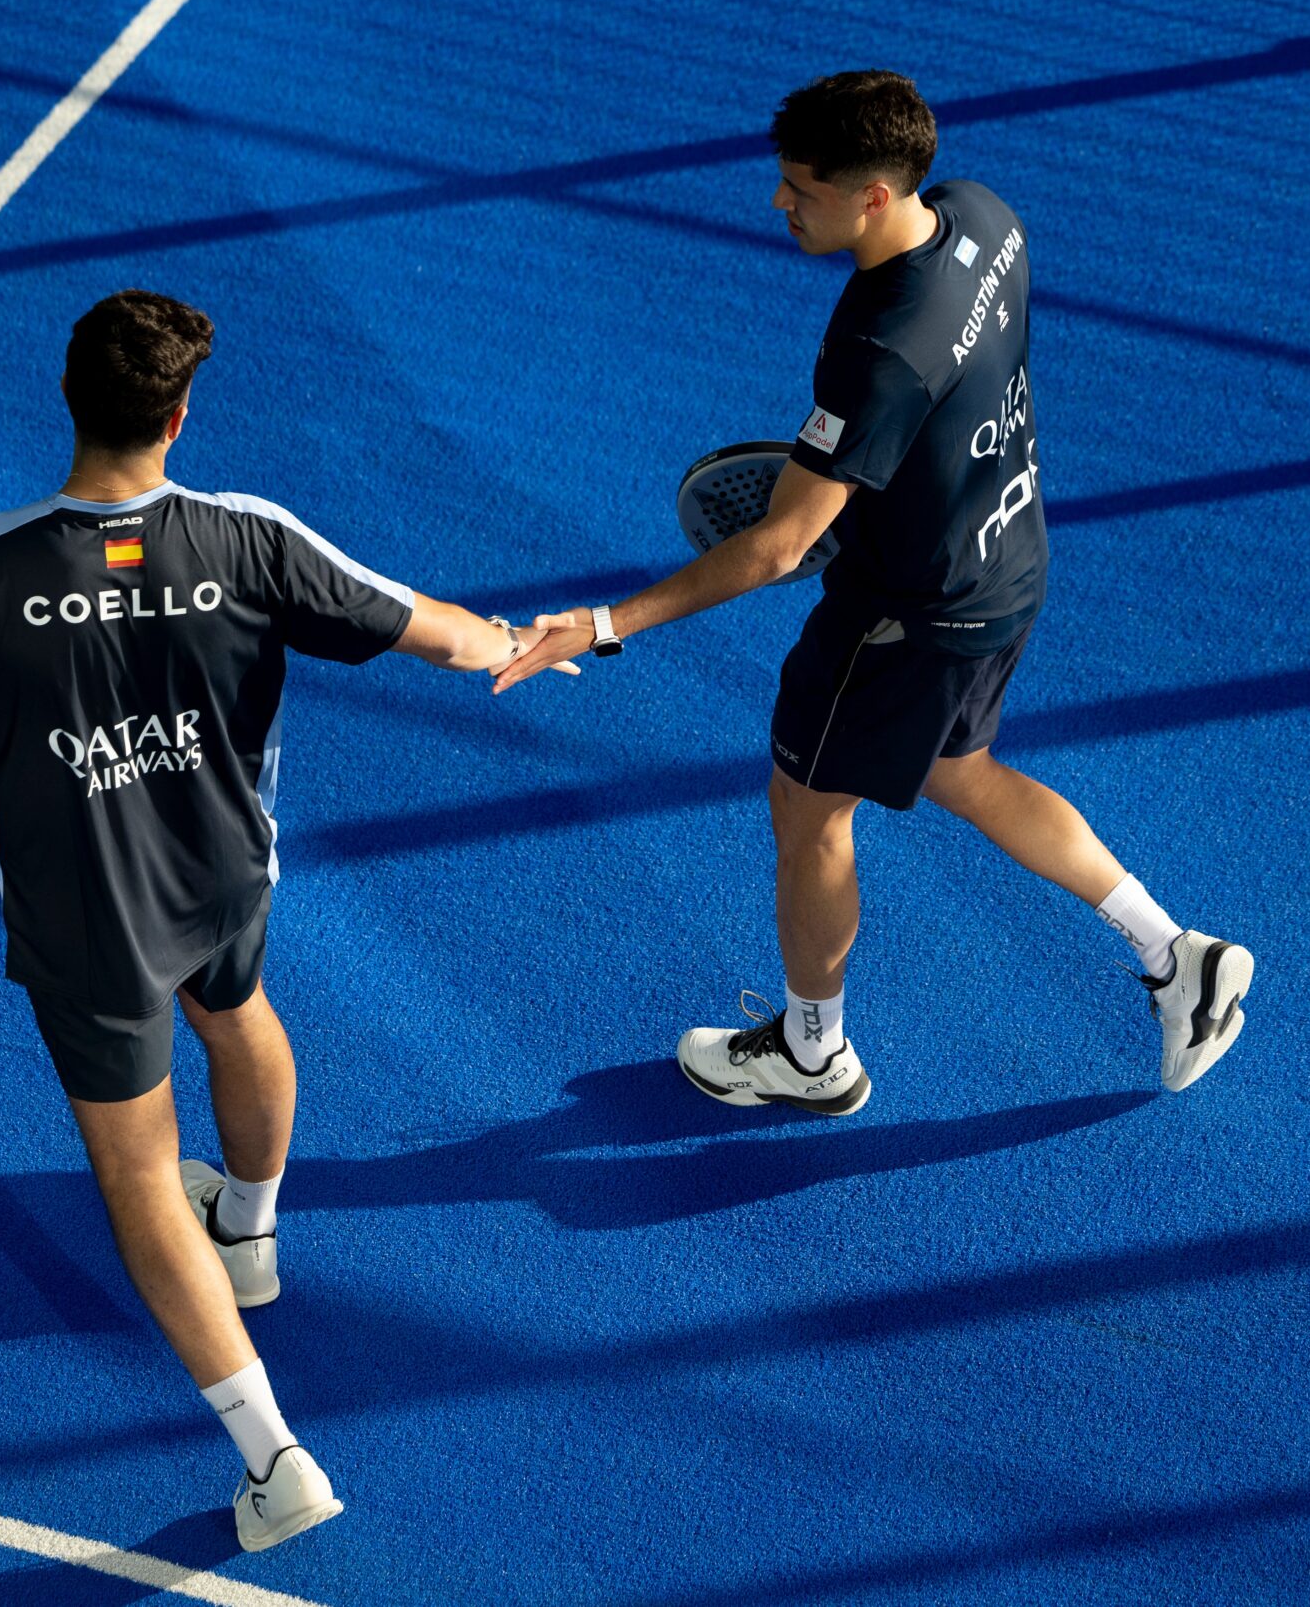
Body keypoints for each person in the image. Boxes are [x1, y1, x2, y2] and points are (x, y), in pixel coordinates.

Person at [0, 290, 569, 1553]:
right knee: (236, 1010)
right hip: (225, 875)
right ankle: (248, 1230)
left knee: (140, 1177)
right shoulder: (248, 537)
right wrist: (520, 641)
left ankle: (275, 1459)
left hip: (90, 924)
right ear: (179, 418)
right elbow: (440, 635)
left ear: (69, 397)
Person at [495, 71, 1253, 1112]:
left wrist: (602, 623)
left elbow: (778, 545)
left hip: (906, 617)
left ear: (874, 196)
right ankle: (1178, 958)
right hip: (1004, 564)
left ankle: (813, 1054)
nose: (779, 202)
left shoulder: (879, 353)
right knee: (961, 772)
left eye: (801, 188)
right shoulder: (985, 218)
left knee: (808, 812)